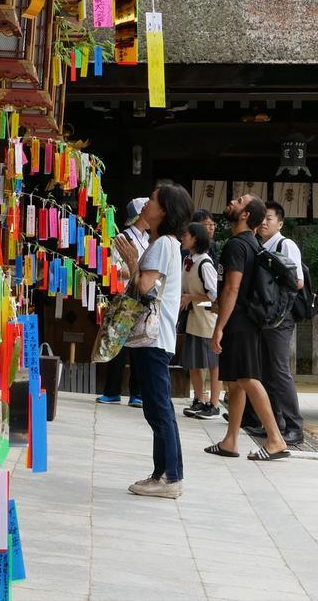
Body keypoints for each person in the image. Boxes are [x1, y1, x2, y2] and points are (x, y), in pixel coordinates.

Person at [112, 182, 193, 498]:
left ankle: (169, 477)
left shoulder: (162, 245)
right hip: (158, 337)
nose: (147, 203)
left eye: (154, 200)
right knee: (159, 409)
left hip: (153, 337)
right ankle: (165, 473)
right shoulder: (168, 244)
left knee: (158, 409)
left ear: (164, 211)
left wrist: (132, 261)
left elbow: (143, 287)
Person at [203, 194, 290, 461]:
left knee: (248, 379)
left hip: (238, 320)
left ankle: (275, 439)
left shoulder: (236, 245)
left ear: (244, 215)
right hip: (248, 319)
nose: (232, 201)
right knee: (237, 381)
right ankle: (230, 440)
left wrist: (219, 326)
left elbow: (232, 288)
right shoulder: (253, 244)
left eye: (238, 201)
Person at [236, 202, 305, 445]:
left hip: (280, 317)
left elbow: (298, 282)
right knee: (265, 371)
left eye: (270, 218)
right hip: (263, 317)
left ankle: (294, 426)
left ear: (280, 223)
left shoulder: (285, 245)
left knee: (278, 370)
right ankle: (273, 425)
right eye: (262, 219)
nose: (264, 223)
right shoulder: (260, 245)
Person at [97, 197, 150, 407]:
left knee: (138, 342)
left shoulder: (149, 239)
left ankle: (136, 392)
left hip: (142, 294)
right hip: (126, 295)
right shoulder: (123, 237)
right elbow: (115, 270)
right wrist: (139, 270)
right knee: (116, 342)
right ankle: (112, 390)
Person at [179, 223, 221, 419]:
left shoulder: (205, 264)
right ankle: (199, 399)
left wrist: (191, 298)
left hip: (206, 320)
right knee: (194, 362)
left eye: (185, 235)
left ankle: (213, 404)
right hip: (193, 320)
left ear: (195, 238)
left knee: (212, 363)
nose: (182, 238)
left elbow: (215, 295)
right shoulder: (188, 260)